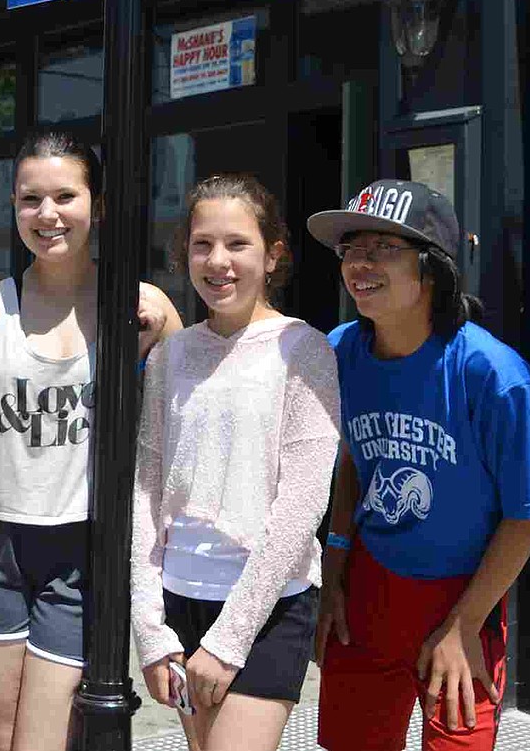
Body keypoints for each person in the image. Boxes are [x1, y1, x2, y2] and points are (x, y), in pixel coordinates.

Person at [0, 130, 182, 751]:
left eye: (64, 196)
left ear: (96, 205)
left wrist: (147, 351)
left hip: (83, 553)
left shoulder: (143, 308)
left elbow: (176, 436)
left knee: (45, 741)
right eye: (29, 199)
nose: (47, 215)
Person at [308, 179, 530, 751]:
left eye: (382, 249)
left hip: (462, 597)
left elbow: (528, 514)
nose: (359, 264)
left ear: (432, 270)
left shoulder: (491, 374)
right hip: (369, 589)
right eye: (351, 250)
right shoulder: (339, 349)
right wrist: (335, 569)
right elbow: (349, 455)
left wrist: (465, 624)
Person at [130, 174, 340, 751]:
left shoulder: (305, 350)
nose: (217, 261)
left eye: (237, 244)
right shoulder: (171, 354)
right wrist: (150, 629)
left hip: (269, 606)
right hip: (181, 597)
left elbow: (302, 506)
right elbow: (146, 490)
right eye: (202, 244)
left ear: (272, 255)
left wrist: (229, 639)